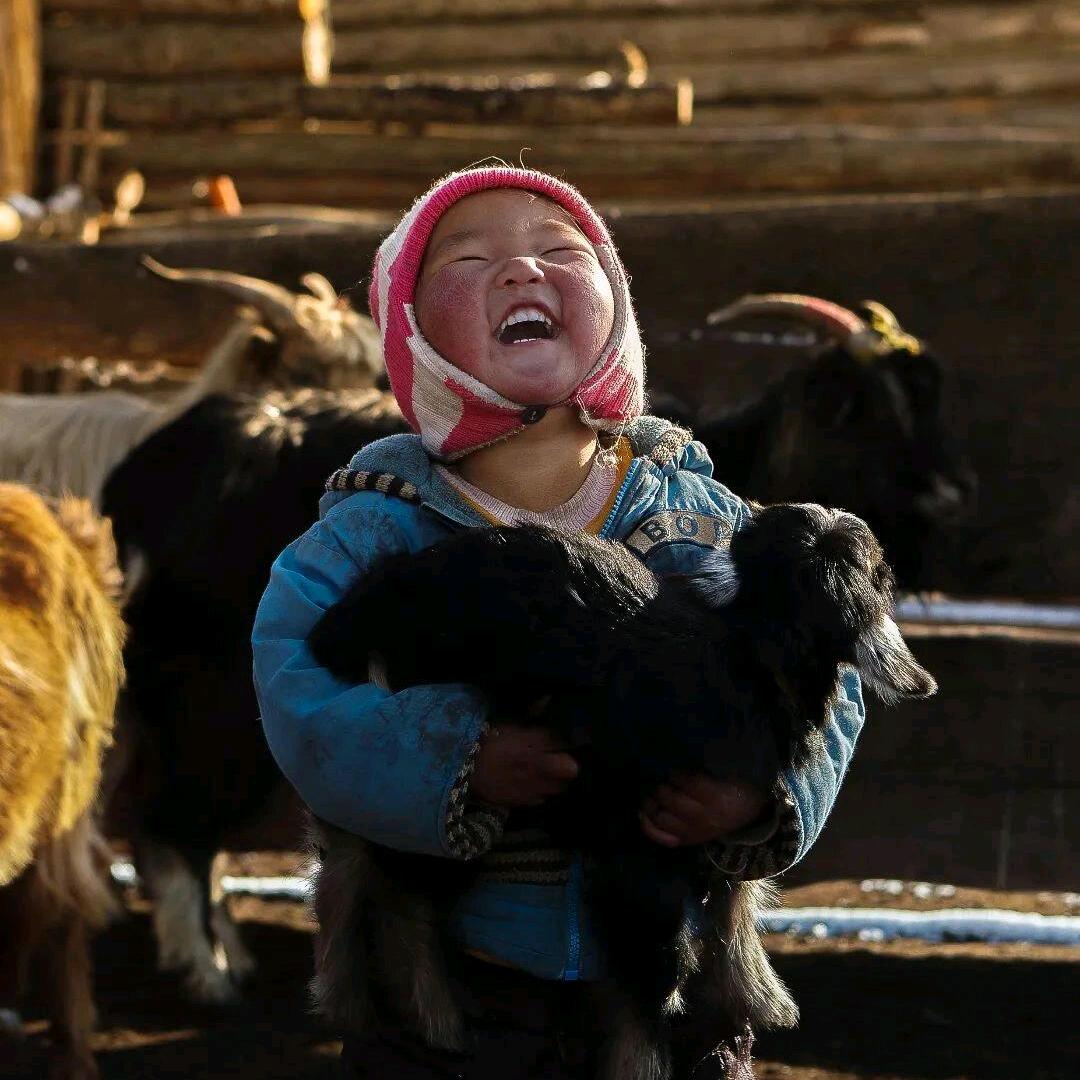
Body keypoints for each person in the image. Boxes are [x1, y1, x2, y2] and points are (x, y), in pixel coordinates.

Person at [251, 166, 865, 1079]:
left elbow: (821, 683)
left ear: (616, 307)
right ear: (413, 335)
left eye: (560, 251)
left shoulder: (710, 523)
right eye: (468, 260)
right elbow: (297, 688)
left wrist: (759, 798)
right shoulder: (374, 528)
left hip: (675, 988)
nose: (521, 269)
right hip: (450, 998)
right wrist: (456, 757)